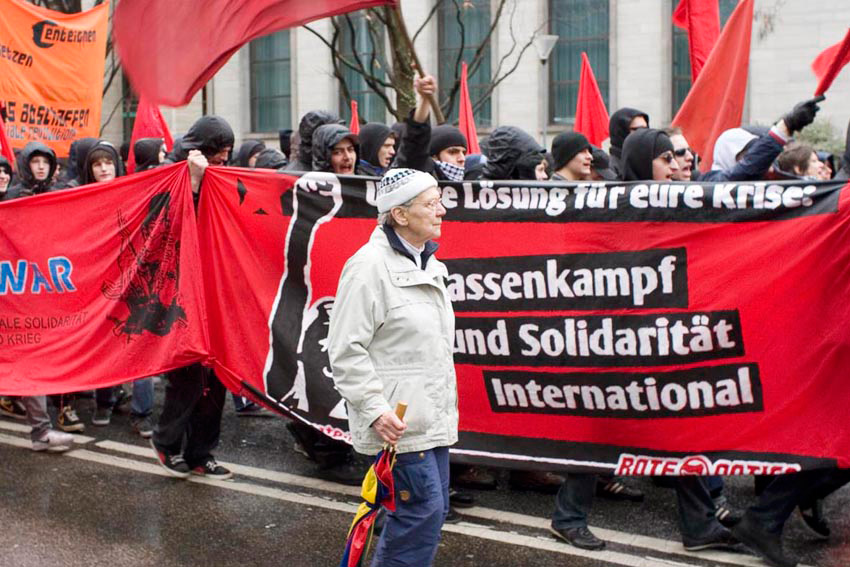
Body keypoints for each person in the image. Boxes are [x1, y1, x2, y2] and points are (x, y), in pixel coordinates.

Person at [328, 167, 457, 567]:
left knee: (429, 513)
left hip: (429, 420)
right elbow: (345, 349)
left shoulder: (429, 263)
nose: (442, 211)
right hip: (397, 425)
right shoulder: (368, 267)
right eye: (431, 203)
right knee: (420, 515)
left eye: (440, 201)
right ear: (399, 214)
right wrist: (375, 409)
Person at [150, 115, 233, 479]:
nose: (224, 159)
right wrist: (193, 185)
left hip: (216, 293)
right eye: (219, 152)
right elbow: (166, 226)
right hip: (180, 294)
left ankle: (201, 452)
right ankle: (166, 443)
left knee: (216, 380)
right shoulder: (167, 176)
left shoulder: (222, 176)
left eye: (228, 152)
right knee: (188, 378)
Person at [699, 96, 821, 183]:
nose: (761, 162)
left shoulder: (769, 187)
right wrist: (786, 125)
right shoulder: (709, 185)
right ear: (729, 153)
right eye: (749, 154)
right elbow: (747, 168)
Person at [394, 75, 468, 182]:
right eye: (452, 152)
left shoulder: (468, 183)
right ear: (434, 156)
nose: (461, 159)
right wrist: (424, 100)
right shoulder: (421, 176)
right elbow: (415, 142)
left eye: (463, 153)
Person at [607, 107, 649, 175]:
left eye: (645, 129)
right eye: (636, 129)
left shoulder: (649, 164)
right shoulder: (609, 169)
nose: (642, 133)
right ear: (621, 132)